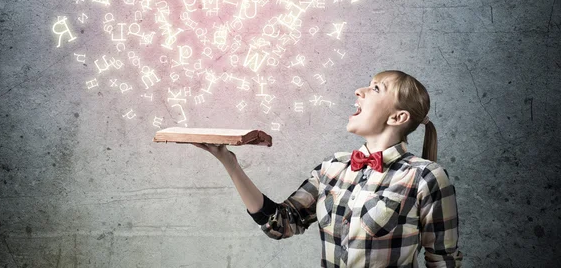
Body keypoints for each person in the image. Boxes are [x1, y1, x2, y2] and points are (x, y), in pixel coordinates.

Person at [192, 70, 463, 267]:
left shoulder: (426, 177)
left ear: (397, 117)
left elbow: (443, 262)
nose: (360, 91)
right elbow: (280, 224)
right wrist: (230, 163)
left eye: (376, 89)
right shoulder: (331, 168)